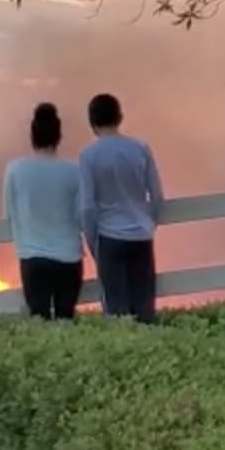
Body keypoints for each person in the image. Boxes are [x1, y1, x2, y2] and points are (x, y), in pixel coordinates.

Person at [79, 93, 165, 323]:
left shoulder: (88, 155)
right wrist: (149, 224)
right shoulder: (140, 148)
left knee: (116, 315)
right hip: (141, 237)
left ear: (92, 122)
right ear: (120, 117)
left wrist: (92, 242)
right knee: (145, 311)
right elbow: (157, 196)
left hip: (110, 238)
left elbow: (87, 206)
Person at [2, 104, 84, 319]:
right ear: (59, 136)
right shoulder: (74, 171)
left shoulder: (15, 169)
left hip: (33, 257)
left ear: (32, 136)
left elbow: (8, 213)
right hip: (68, 256)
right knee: (66, 320)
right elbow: (82, 214)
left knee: (39, 320)